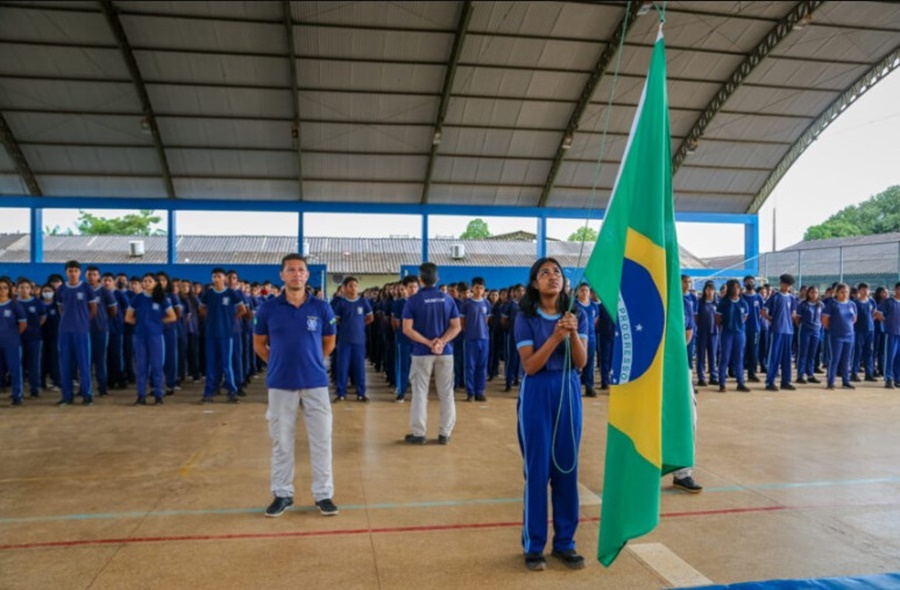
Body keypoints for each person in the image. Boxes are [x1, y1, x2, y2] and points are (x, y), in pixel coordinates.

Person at [514, 258, 588, 571]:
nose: (552, 277)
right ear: (534, 283)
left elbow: (581, 363)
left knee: (567, 469)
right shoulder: (526, 316)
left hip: (567, 392)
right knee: (537, 470)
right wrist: (555, 337)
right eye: (544, 273)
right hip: (537, 393)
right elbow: (530, 365)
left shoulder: (577, 314)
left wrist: (571, 334)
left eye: (557, 272)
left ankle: (565, 542)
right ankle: (534, 545)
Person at [254, 254, 339, 518]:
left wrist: (311, 362)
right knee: (282, 441)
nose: (296, 274)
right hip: (280, 384)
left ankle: (324, 495)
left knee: (322, 439)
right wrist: (278, 362)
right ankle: (282, 494)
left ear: (307, 274)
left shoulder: (321, 307)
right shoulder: (268, 308)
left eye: (301, 270)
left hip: (315, 383)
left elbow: (329, 343)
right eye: (290, 270)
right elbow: (259, 344)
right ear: (282, 275)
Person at [401, 262, 461, 445]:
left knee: (420, 393)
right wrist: (442, 342)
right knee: (446, 393)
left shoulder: (413, 301)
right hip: (445, 352)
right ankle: (445, 433)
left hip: (421, 353)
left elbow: (407, 329)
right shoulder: (447, 299)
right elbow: (456, 326)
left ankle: (419, 434)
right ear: (437, 279)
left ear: (420, 280)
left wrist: (428, 343)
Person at [125, 273, 176, 405]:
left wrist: (157, 322)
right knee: (141, 367)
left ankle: (158, 395)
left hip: (156, 336)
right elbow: (128, 317)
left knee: (157, 366)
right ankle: (141, 396)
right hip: (140, 336)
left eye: (150, 281)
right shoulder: (137, 298)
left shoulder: (161, 298)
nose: (146, 283)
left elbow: (172, 316)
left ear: (155, 283)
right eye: (145, 281)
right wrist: (141, 322)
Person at [198, 268, 246, 403]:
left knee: (227, 363)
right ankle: (209, 392)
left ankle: (232, 391)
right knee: (211, 363)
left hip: (226, 334)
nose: (216, 279)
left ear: (224, 278)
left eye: (219, 276)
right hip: (211, 334)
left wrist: (231, 319)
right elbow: (201, 308)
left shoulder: (232, 294)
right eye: (214, 276)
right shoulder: (208, 294)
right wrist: (209, 317)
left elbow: (243, 310)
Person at [57, 261, 98, 406]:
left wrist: (84, 322)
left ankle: (87, 395)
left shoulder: (87, 288)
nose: (73, 273)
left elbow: (93, 308)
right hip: (65, 331)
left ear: (80, 272)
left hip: (81, 331)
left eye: (75, 270)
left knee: (84, 364)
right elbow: (61, 308)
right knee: (66, 364)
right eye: (70, 270)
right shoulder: (61, 289)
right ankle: (67, 396)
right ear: (66, 272)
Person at [332, 276, 374, 402]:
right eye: (350, 286)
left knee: (359, 368)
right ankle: (341, 393)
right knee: (342, 367)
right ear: (344, 288)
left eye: (356, 286)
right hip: (344, 341)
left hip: (359, 341)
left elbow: (370, 318)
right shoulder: (341, 303)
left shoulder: (363, 302)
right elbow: (336, 320)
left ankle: (361, 393)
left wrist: (359, 325)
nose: (354, 288)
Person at [762, 274, 798, 392]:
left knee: (787, 357)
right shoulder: (775, 297)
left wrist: (794, 321)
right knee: (774, 357)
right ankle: (770, 381)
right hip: (777, 330)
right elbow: (763, 311)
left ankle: (786, 381)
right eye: (784, 283)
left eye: (789, 285)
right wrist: (770, 319)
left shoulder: (792, 298)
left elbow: (793, 314)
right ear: (780, 283)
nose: (786, 286)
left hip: (788, 331)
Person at [86, 266, 117, 397]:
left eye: (94, 274)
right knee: (84, 360)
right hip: (84, 331)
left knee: (100, 360)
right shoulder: (83, 290)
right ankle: (85, 388)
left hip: (100, 330)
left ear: (98, 276)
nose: (92, 277)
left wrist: (102, 320)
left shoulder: (105, 292)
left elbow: (113, 311)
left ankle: (102, 388)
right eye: (89, 274)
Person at [716, 279, 750, 393]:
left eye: (737, 287)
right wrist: (727, 326)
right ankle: (722, 383)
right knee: (725, 357)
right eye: (733, 287)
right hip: (727, 333)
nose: (736, 289)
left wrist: (738, 326)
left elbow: (744, 318)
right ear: (729, 289)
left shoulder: (743, 303)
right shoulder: (723, 303)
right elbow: (717, 319)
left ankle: (740, 382)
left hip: (740, 333)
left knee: (739, 357)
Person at [461, 277, 491, 403]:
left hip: (484, 339)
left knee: (482, 366)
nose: (479, 290)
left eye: (481, 288)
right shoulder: (466, 304)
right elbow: (462, 322)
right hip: (470, 339)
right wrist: (468, 333)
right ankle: (470, 392)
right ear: (472, 288)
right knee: (470, 366)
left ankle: (480, 391)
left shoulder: (487, 303)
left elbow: (486, 320)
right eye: (477, 287)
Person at [823, 283, 857, 390]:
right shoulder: (832, 304)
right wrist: (833, 329)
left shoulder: (852, 304)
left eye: (846, 292)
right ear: (836, 293)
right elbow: (824, 320)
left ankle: (846, 381)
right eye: (842, 292)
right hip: (836, 336)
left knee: (846, 359)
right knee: (835, 359)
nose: (844, 294)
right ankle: (831, 381)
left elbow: (854, 319)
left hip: (849, 335)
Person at [16, 277, 45, 399]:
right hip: (16, 339)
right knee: (18, 364)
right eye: (21, 287)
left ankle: (35, 389)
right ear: (17, 289)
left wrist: (34, 328)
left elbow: (43, 317)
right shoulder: (14, 303)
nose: (24, 290)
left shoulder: (37, 302)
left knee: (34, 364)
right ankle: (19, 390)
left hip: (34, 337)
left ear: (31, 289)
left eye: (27, 287)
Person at [0, 277, 27, 406]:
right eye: (0, 288)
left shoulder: (14, 305)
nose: (2, 291)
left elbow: (22, 324)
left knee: (15, 370)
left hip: (12, 344)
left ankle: (17, 396)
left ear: (9, 290)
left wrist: (12, 336)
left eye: (5, 288)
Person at [391, 275, 418, 402]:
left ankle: (419, 394)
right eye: (410, 287)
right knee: (404, 366)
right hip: (404, 340)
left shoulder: (421, 302)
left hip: (419, 341)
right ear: (405, 289)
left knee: (419, 368)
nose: (413, 289)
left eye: (415, 286)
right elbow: (396, 323)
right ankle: (401, 392)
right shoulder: (399, 304)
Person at [574, 282, 599, 397]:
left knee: (589, 362)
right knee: (576, 363)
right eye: (582, 290)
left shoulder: (594, 306)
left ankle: (589, 387)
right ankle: (574, 387)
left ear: (590, 293)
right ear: (578, 292)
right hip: (577, 338)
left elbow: (595, 321)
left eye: (587, 290)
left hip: (591, 338)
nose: (584, 293)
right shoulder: (574, 305)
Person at [796, 286, 824, 385]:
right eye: (812, 292)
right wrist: (802, 326)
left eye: (816, 292)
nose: (814, 294)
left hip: (816, 331)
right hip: (805, 331)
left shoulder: (820, 305)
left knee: (812, 354)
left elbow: (823, 318)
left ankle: (810, 374)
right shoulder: (803, 305)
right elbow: (797, 319)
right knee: (803, 353)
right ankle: (800, 375)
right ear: (808, 293)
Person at [852, 283, 878, 383]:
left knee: (869, 352)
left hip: (870, 331)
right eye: (862, 289)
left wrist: (870, 323)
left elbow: (874, 314)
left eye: (867, 289)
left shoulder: (872, 302)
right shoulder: (855, 303)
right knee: (857, 352)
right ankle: (854, 373)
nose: (865, 291)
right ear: (859, 291)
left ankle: (869, 374)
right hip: (858, 331)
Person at [695, 281, 719, 387]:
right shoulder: (700, 303)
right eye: (708, 289)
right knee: (701, 355)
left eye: (711, 289)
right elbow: (695, 317)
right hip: (702, 332)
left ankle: (713, 376)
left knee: (713, 355)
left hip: (714, 332)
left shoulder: (717, 303)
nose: (709, 292)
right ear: (704, 290)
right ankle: (701, 377)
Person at [876, 282, 900, 390]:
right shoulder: (888, 302)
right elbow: (878, 313)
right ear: (896, 289)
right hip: (891, 333)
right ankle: (888, 378)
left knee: (898, 358)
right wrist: (886, 321)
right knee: (890, 356)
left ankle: (897, 378)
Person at [39, 282, 60, 393]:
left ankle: (57, 382)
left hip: (55, 335)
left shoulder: (57, 305)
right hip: (41, 336)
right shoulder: (38, 304)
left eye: (49, 291)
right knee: (42, 360)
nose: (47, 293)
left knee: (55, 359)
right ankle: (41, 383)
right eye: (45, 291)